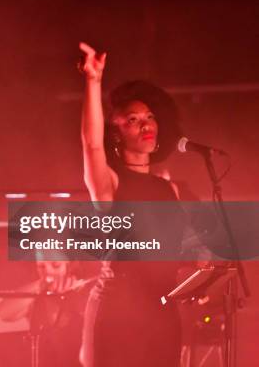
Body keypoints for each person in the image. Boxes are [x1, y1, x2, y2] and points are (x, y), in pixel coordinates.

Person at [78, 42, 184, 366]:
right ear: (117, 134)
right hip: (119, 310)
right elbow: (92, 144)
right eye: (133, 119)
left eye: (150, 117)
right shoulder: (110, 182)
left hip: (163, 310)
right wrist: (93, 81)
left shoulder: (170, 189)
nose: (146, 124)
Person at [0, 261, 94, 366]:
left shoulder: (90, 291)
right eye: (41, 266)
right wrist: (40, 284)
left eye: (56, 266)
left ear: (70, 265)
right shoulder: (36, 295)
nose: (48, 272)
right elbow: (1, 313)